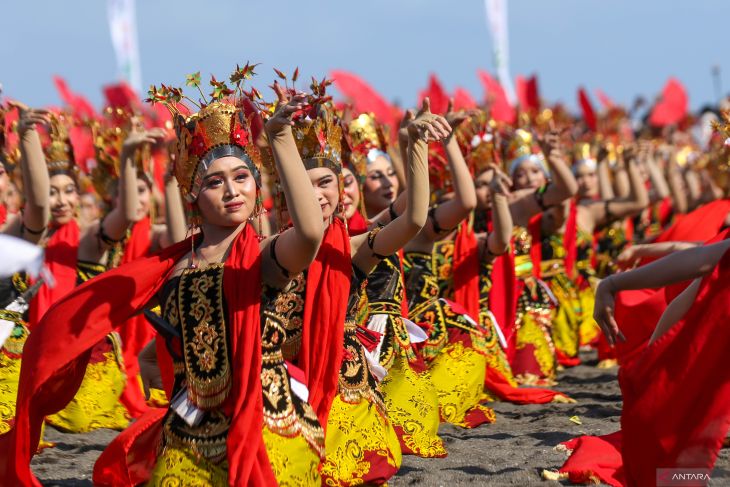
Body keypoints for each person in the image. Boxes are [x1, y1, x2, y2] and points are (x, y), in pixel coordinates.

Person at [0, 66, 329, 486]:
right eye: (215, 181)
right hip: (189, 431)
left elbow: (310, 232)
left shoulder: (262, 256)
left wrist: (280, 139)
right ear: (194, 193)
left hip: (268, 423)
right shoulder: (173, 266)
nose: (232, 191)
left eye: (242, 177)